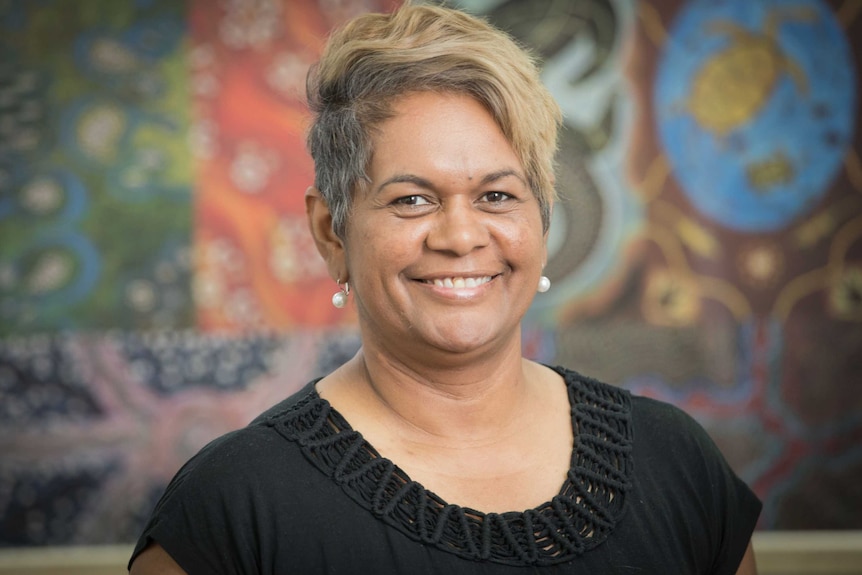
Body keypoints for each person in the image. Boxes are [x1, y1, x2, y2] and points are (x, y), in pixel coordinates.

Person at [129, 2, 761, 573]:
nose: (461, 236)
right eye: (411, 199)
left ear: (541, 218)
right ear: (331, 232)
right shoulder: (232, 505)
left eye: (496, 195)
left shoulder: (676, 460)